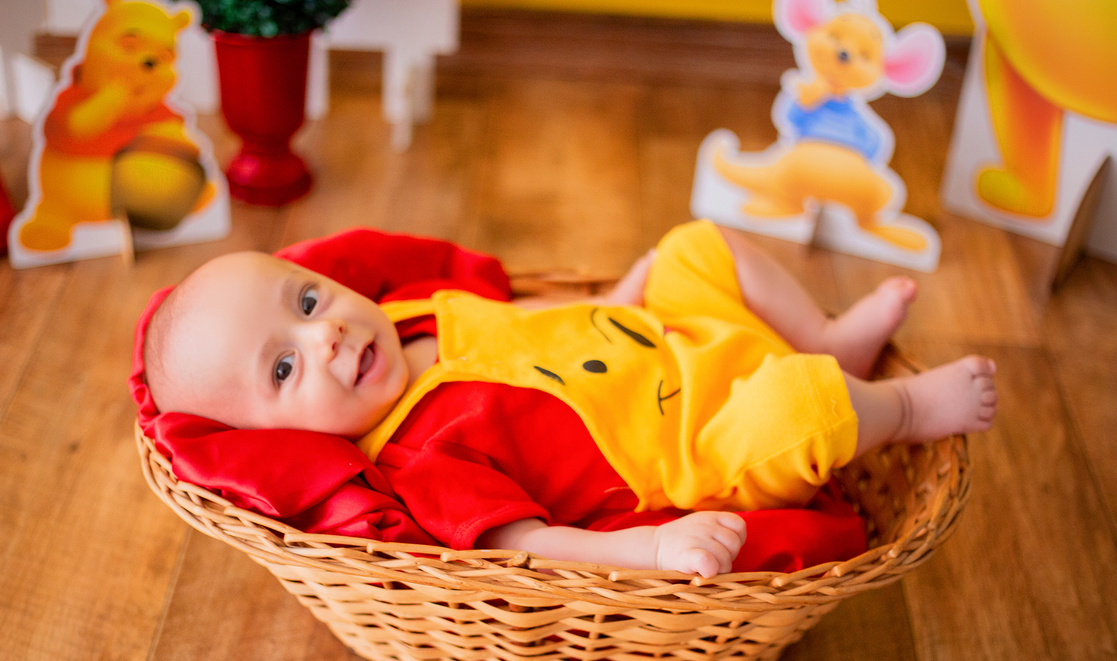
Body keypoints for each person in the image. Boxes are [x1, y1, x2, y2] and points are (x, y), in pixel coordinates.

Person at [139, 221, 996, 577]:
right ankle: (909, 409)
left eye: (306, 301)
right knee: (802, 407)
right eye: (283, 370)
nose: (324, 336)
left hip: (665, 340)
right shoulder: (414, 462)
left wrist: (624, 295)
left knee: (691, 247)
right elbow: (532, 543)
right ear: (280, 441)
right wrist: (656, 549)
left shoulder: (408, 315)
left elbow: (529, 328)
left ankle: (822, 333)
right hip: (703, 444)